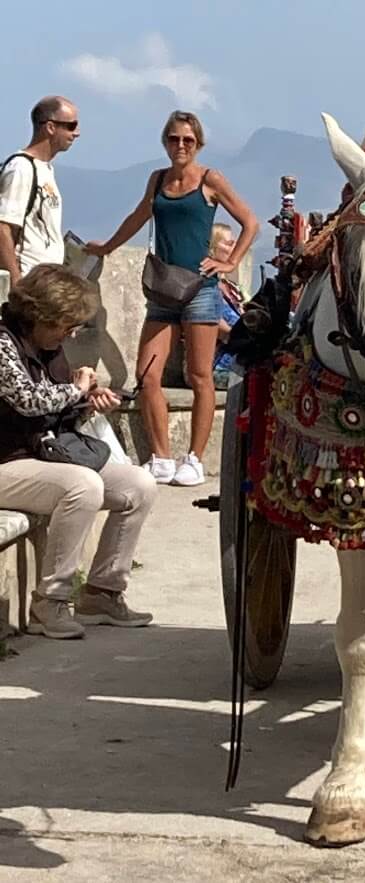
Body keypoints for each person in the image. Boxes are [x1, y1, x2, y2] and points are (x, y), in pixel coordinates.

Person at [86, 111, 259, 486]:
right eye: (174, 139)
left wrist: (229, 262)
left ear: (198, 145)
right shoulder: (158, 180)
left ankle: (194, 459)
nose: (181, 146)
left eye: (188, 140)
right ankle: (161, 457)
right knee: (148, 374)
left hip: (200, 289)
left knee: (199, 375)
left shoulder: (210, 180)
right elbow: (139, 215)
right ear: (165, 142)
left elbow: (250, 221)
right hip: (163, 288)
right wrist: (108, 247)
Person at [0, 264, 157, 639]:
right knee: (83, 486)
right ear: (41, 315)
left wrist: (88, 399)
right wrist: (76, 389)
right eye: (65, 324)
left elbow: (55, 407)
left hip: (42, 453)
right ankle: (50, 601)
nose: (71, 333)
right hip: (8, 461)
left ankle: (103, 592)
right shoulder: (3, 343)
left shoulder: (49, 345)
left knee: (139, 485)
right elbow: (27, 399)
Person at [0, 96, 80, 286]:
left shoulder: (45, 169)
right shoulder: (21, 168)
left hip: (47, 282)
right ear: (51, 127)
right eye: (71, 126)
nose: (76, 133)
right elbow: (4, 227)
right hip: (28, 279)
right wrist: (15, 279)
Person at [210, 223, 245, 390]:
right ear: (211, 248)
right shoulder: (204, 287)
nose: (234, 248)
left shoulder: (231, 288)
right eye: (228, 243)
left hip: (237, 360)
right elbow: (217, 326)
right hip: (217, 366)